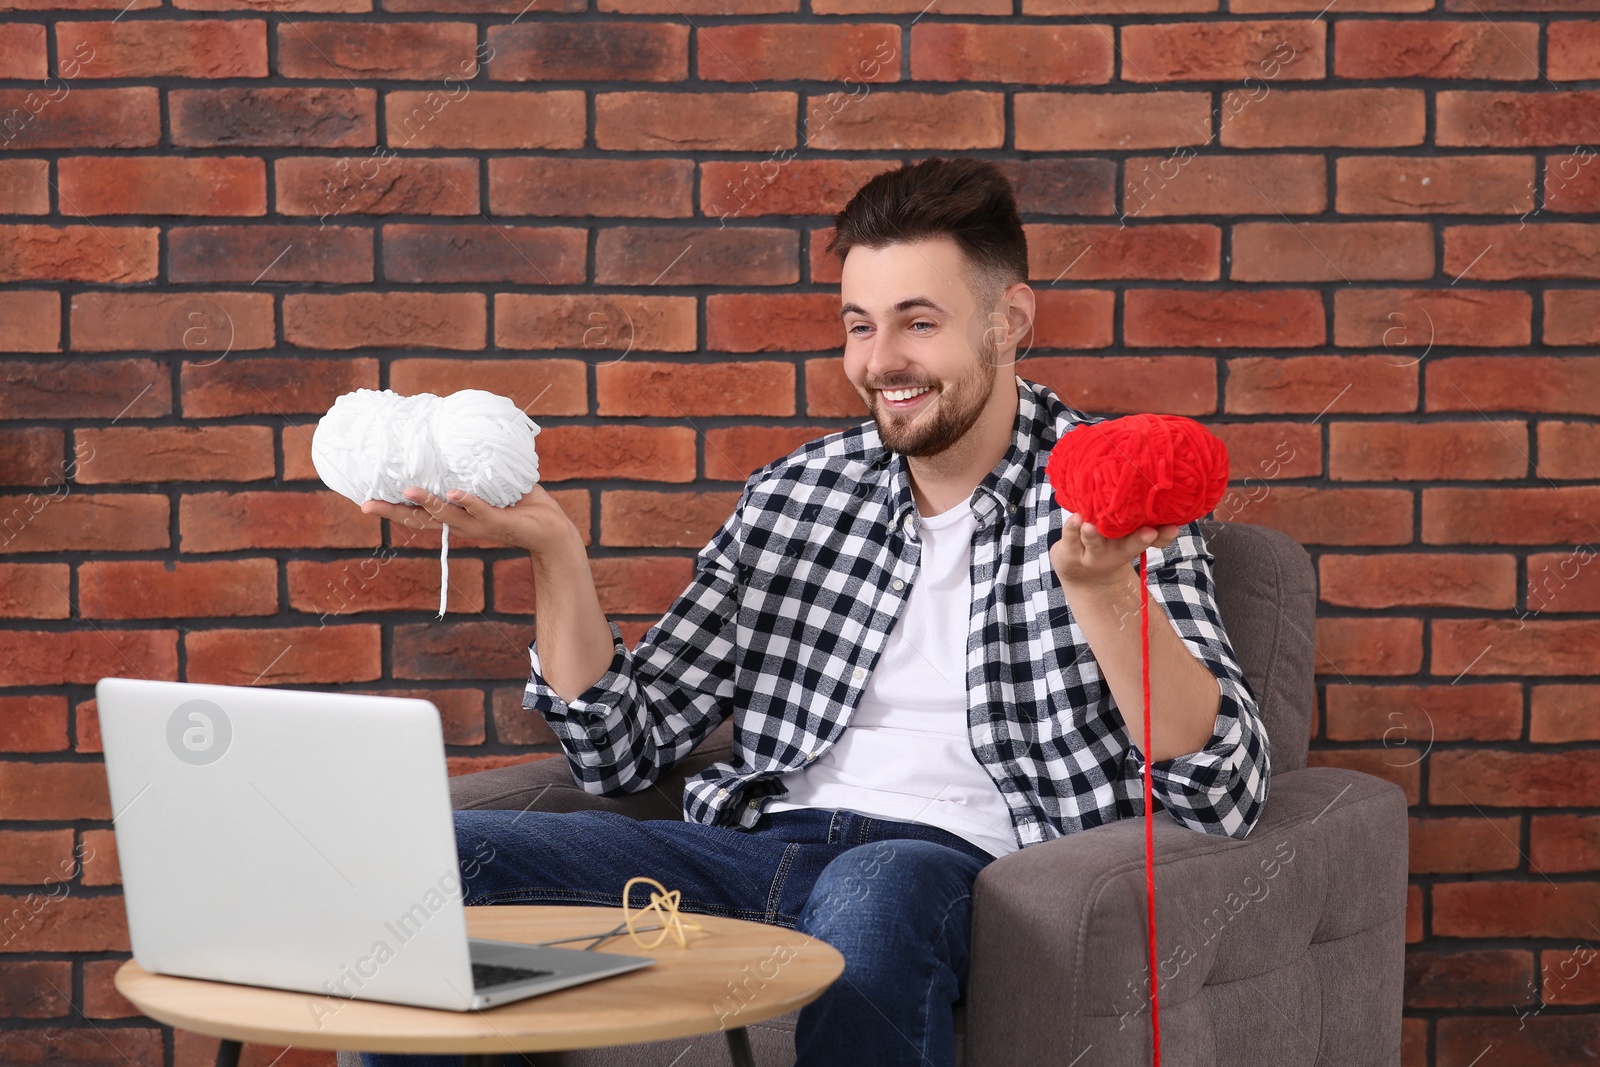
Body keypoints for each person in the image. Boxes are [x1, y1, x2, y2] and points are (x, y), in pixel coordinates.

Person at [354, 155, 1271, 1067]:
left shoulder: (1101, 492)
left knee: (876, 891)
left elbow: (1221, 791)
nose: (880, 363)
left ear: (1010, 322)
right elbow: (619, 747)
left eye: (919, 323)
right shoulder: (799, 494)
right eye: (859, 326)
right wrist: (554, 551)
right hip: (760, 851)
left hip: (952, 868)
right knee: (439, 857)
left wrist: (1103, 589)